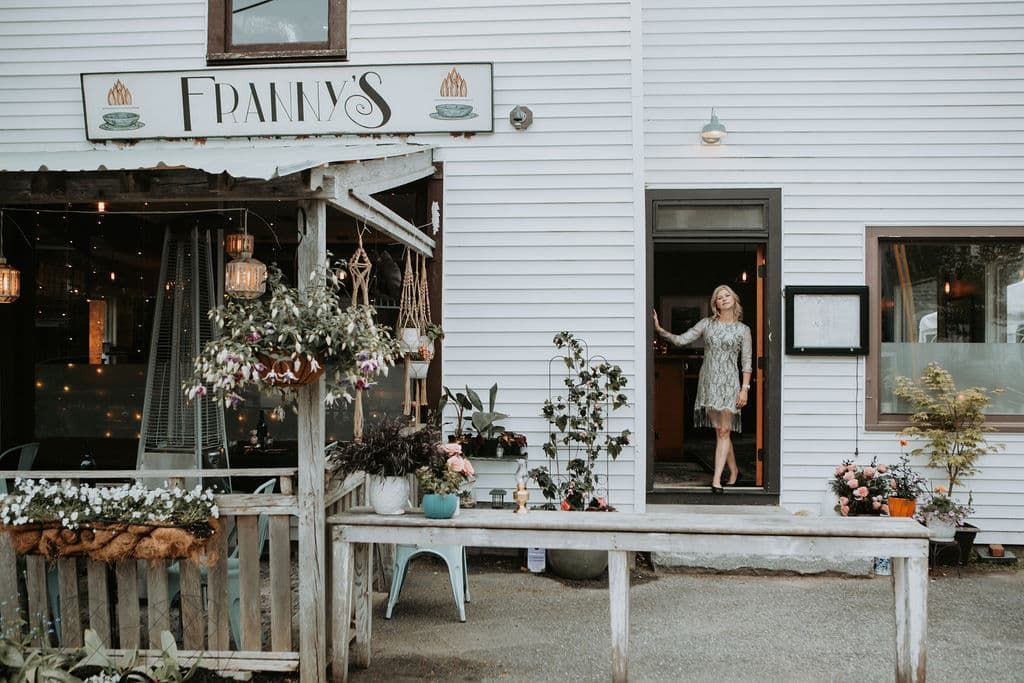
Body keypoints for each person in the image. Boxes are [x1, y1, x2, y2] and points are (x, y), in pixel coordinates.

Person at [652, 285, 752, 493]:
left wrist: (745, 389)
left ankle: (716, 479)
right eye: (719, 297)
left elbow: (747, 362)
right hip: (708, 382)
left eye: (727, 296)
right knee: (721, 432)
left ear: (734, 299)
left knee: (724, 431)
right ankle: (734, 471)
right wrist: (660, 330)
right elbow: (681, 340)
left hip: (730, 384)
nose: (724, 299)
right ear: (715, 304)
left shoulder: (743, 330)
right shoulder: (707, 324)